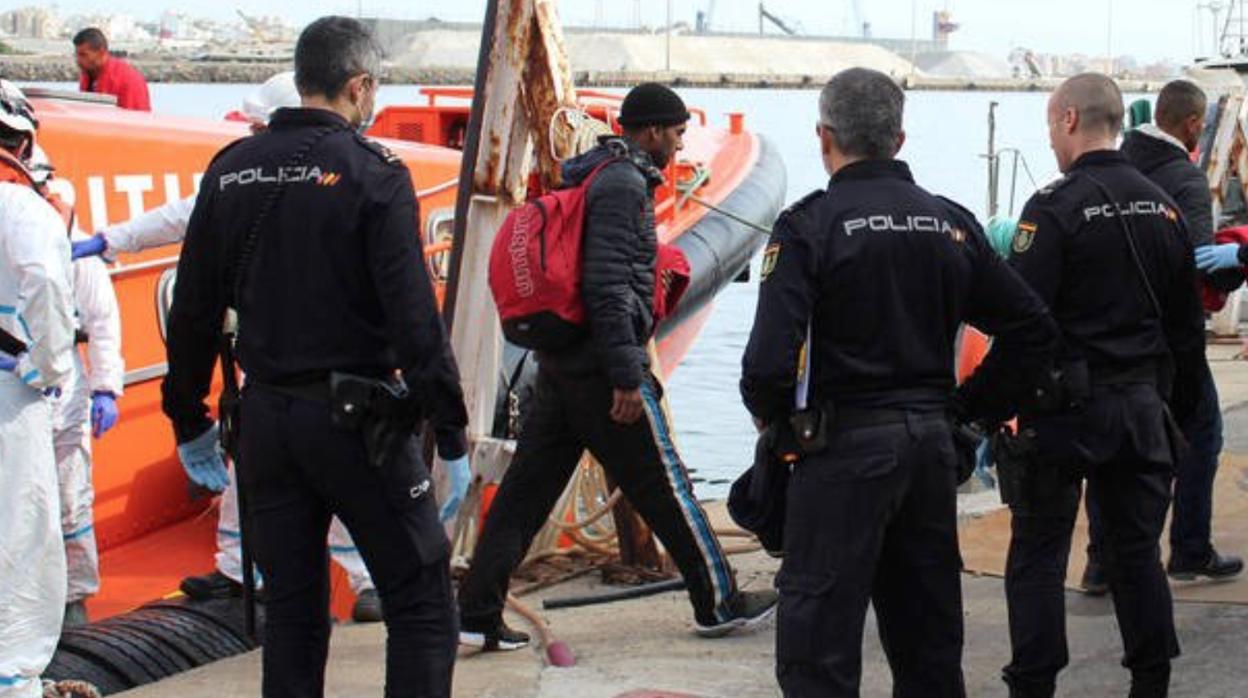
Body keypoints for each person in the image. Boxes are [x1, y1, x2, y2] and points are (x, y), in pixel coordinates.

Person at [162, 17, 469, 696]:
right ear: (359, 86)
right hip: (357, 422)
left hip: (266, 421)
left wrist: (187, 417)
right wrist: (449, 431)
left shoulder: (230, 169)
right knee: (421, 598)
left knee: (295, 614)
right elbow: (415, 321)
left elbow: (192, 311)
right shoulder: (375, 173)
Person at [742, 67, 1058, 697]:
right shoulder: (951, 223)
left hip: (841, 452)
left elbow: (766, 369)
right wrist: (967, 415)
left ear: (823, 136)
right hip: (929, 451)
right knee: (929, 644)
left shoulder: (810, 226)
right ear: (900, 138)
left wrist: (781, 429)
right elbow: (1034, 331)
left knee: (817, 651)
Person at [456, 82, 778, 651]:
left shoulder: (589, 175)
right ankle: (720, 602)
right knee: (668, 485)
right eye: (675, 135)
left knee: (525, 494)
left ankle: (476, 613)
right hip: (601, 371)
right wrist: (628, 376)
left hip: (560, 365)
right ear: (650, 131)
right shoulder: (625, 185)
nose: (678, 148)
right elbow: (607, 287)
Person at [73, 72, 390, 622]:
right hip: (272, 359)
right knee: (250, 463)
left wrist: (184, 407)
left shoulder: (347, 176)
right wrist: (114, 239)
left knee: (349, 472)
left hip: (340, 361)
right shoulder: (253, 180)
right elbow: (186, 217)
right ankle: (239, 569)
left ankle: (366, 580)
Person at [1002, 73, 1205, 698]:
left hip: (1065, 411)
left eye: (1048, 125)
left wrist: (985, 407)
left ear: (1067, 120)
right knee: (1135, 552)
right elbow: (1186, 331)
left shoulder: (1053, 207)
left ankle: (1033, 684)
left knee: (1038, 550)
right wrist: (1183, 414)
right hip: (1141, 408)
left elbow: (1025, 324)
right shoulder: (1164, 206)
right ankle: (1151, 680)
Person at [1075, 78, 1242, 594]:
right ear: (1194, 126)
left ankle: (1101, 561)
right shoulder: (1185, 181)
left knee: (1112, 450)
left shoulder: (1118, 166)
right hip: (1169, 340)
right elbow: (1192, 269)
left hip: (1110, 336)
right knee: (1201, 435)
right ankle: (1189, 548)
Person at [25, 147, 127, 627]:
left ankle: (75, 597)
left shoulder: (77, 250)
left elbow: (102, 321)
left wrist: (106, 389)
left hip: (64, 389)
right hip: (15, 390)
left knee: (70, 496)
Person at [0, 80, 77, 698]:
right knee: (24, 533)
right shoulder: (23, 207)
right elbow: (48, 290)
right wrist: (49, 373)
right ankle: (14, 680)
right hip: (8, 395)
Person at [73, 27, 151, 112]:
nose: (78, 60)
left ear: (101, 52)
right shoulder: (88, 73)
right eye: (77, 55)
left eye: (84, 55)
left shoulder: (127, 80)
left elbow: (134, 120)